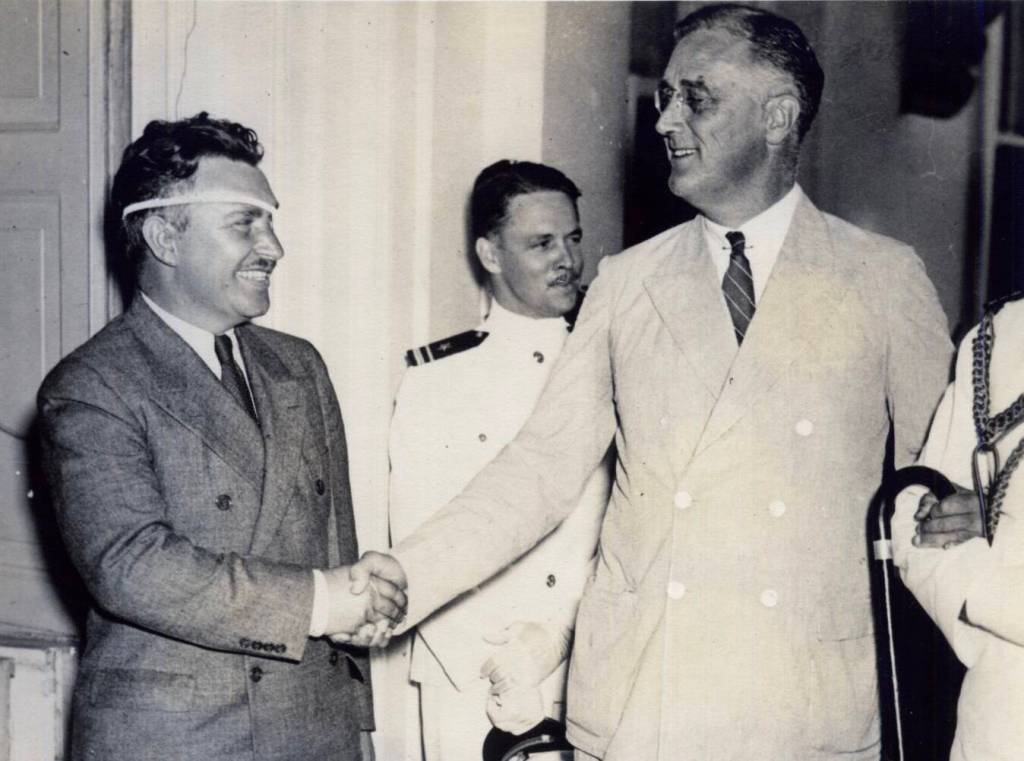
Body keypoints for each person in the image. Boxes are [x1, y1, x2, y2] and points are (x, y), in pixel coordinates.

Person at [374, 5, 953, 759]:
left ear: (778, 115)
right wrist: (397, 578)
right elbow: (536, 470)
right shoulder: (627, 281)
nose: (666, 121)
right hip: (647, 700)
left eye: (696, 97)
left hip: (802, 705)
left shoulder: (883, 278)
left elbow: (934, 492)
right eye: (664, 98)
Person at [37, 113, 407, 761]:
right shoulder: (92, 384)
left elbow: (335, 539)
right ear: (164, 237)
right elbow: (132, 566)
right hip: (176, 738)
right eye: (245, 222)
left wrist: (359, 729)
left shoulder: (301, 365)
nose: (273, 247)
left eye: (270, 220)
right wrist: (322, 601)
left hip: (310, 729)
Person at [386, 160, 611, 761]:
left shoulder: (612, 362)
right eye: (541, 243)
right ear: (490, 254)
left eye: (573, 238)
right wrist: (492, 668)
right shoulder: (439, 381)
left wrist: (556, 641)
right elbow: (421, 539)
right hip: (471, 679)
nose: (566, 258)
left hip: (587, 664)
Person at [894, 294, 1024, 761]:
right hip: (1004, 719)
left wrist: (1001, 534)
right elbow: (914, 509)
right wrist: (975, 593)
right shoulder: (1003, 335)